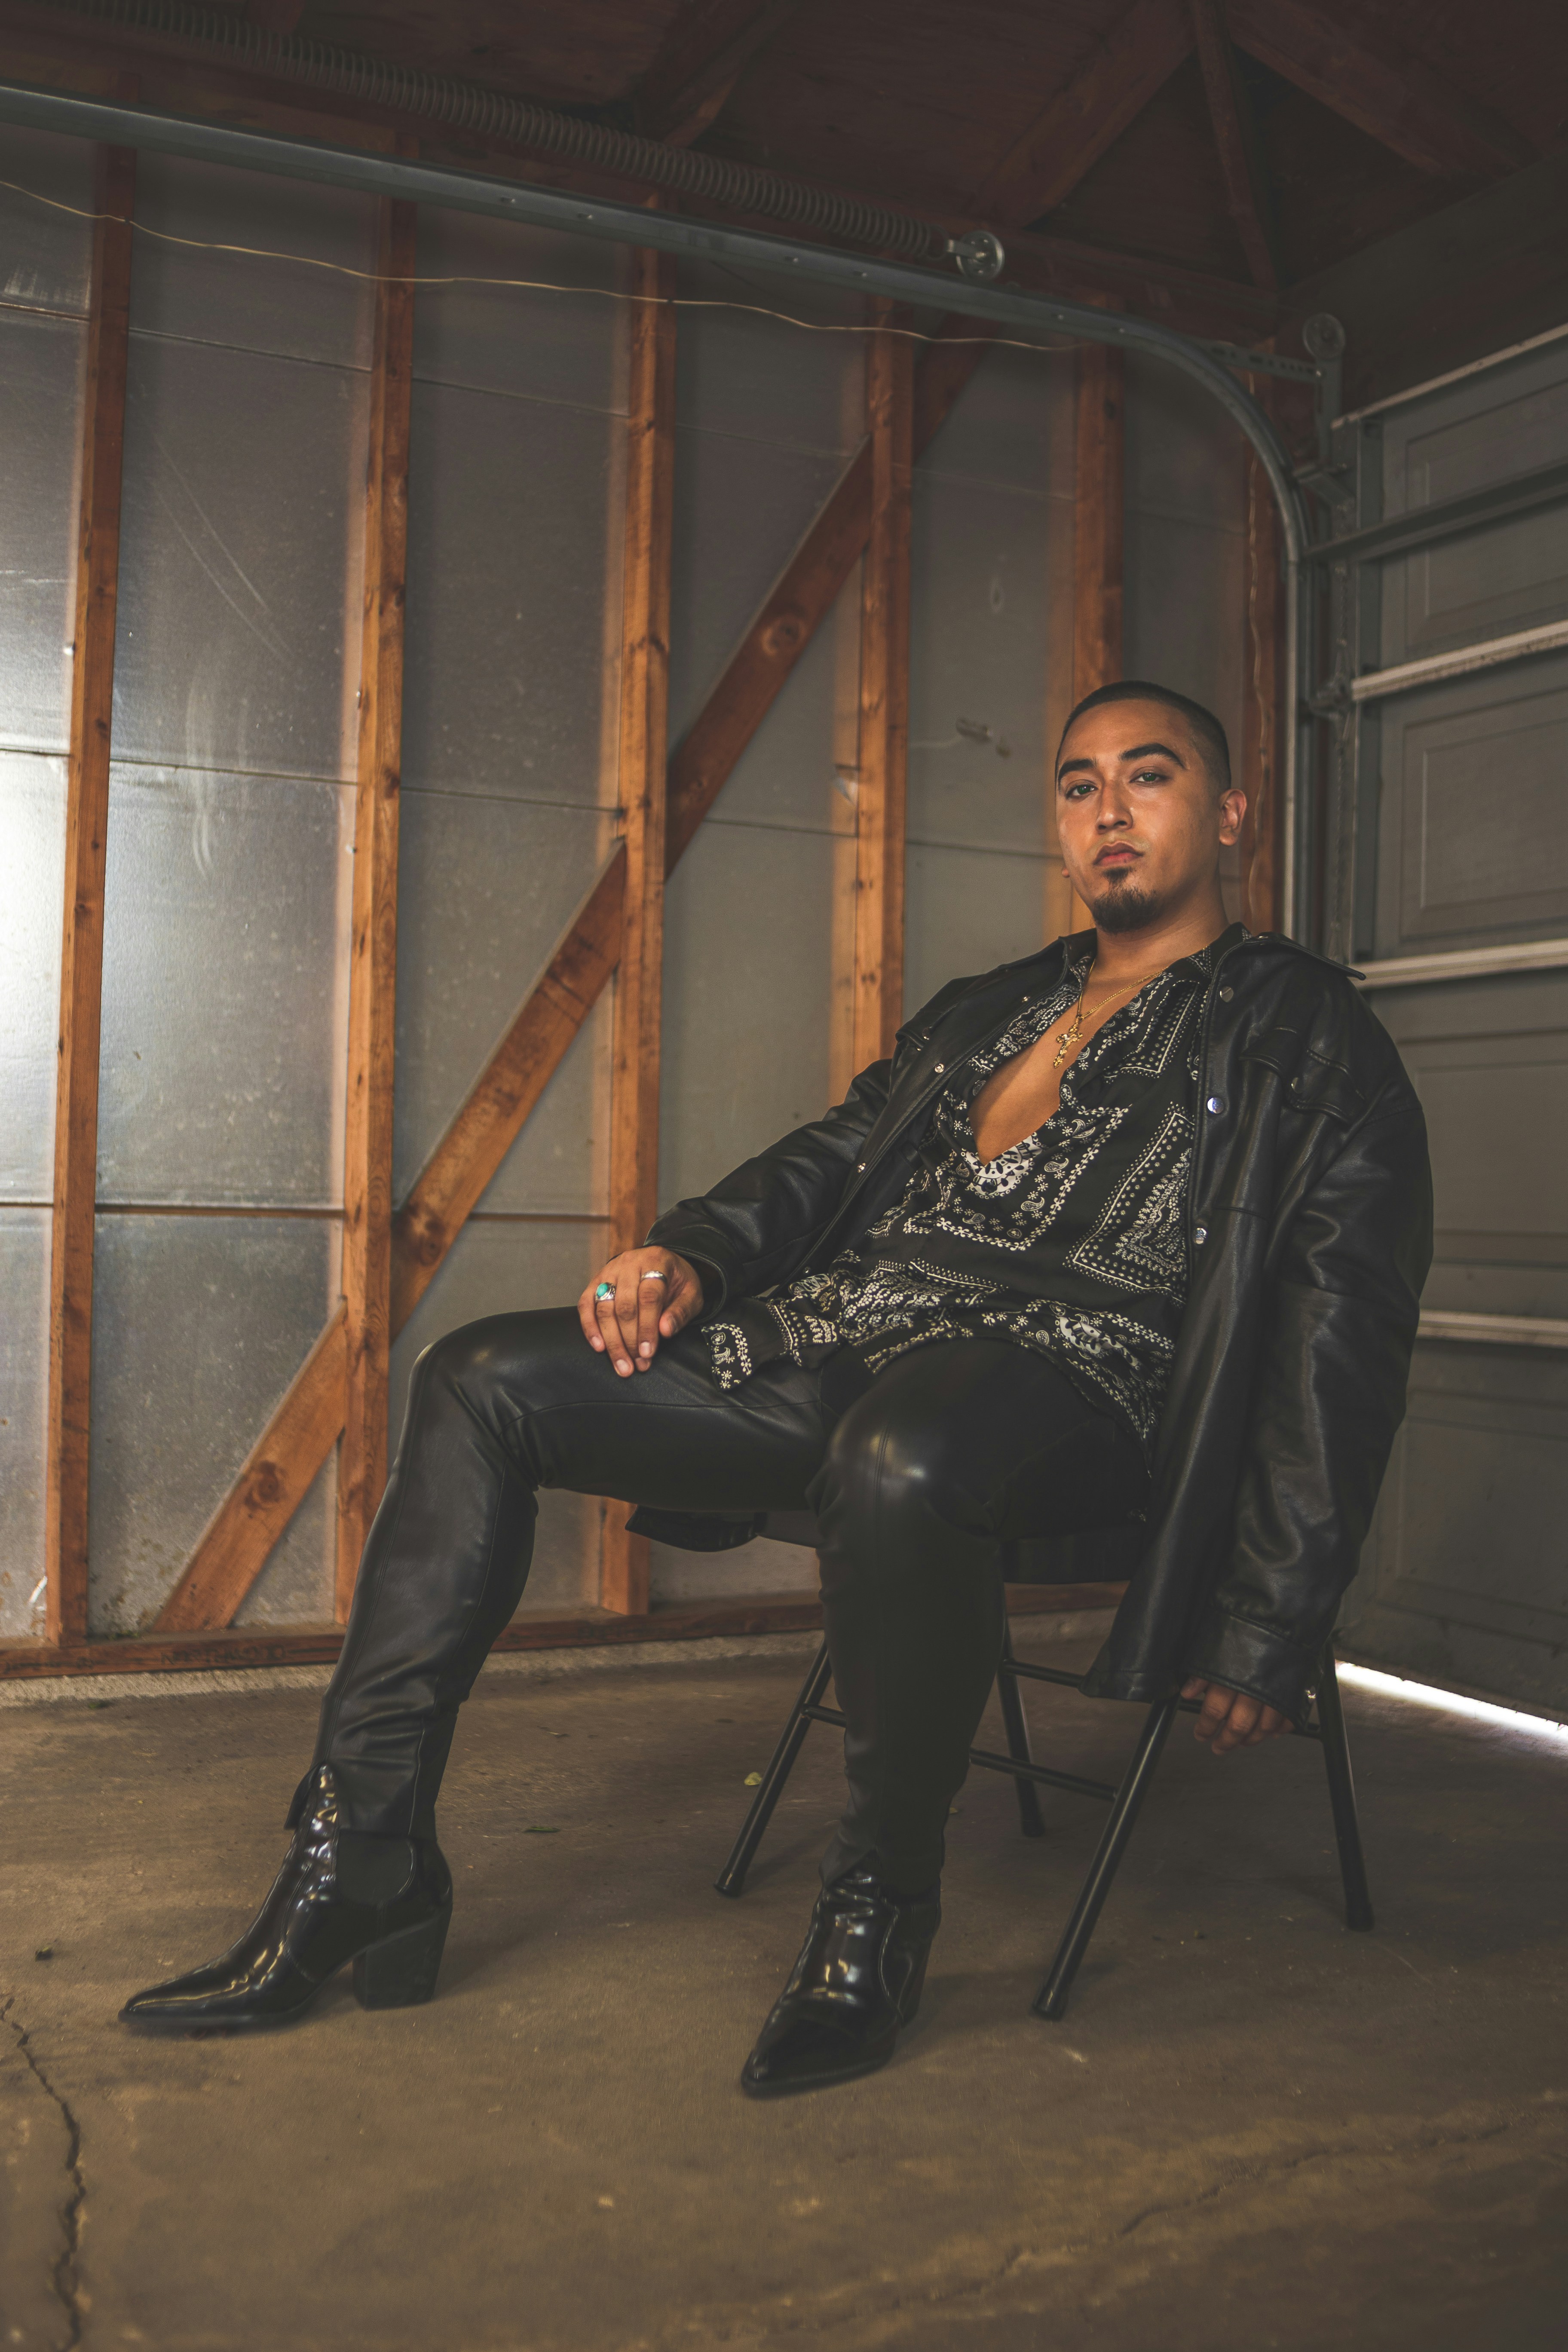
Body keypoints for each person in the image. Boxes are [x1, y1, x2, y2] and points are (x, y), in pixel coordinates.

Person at [121, 680, 1432, 2096]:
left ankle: (876, 1913)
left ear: (1229, 811)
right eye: (1076, 784)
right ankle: (359, 1858)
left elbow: (1339, 1339)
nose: (1109, 811)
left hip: (1089, 1386)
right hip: (852, 1341)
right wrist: (692, 1253)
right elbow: (828, 1158)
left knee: (898, 1457)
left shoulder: (1312, 1040)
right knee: (479, 1377)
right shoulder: (991, 1009)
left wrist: (1269, 1613)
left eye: (1151, 775)